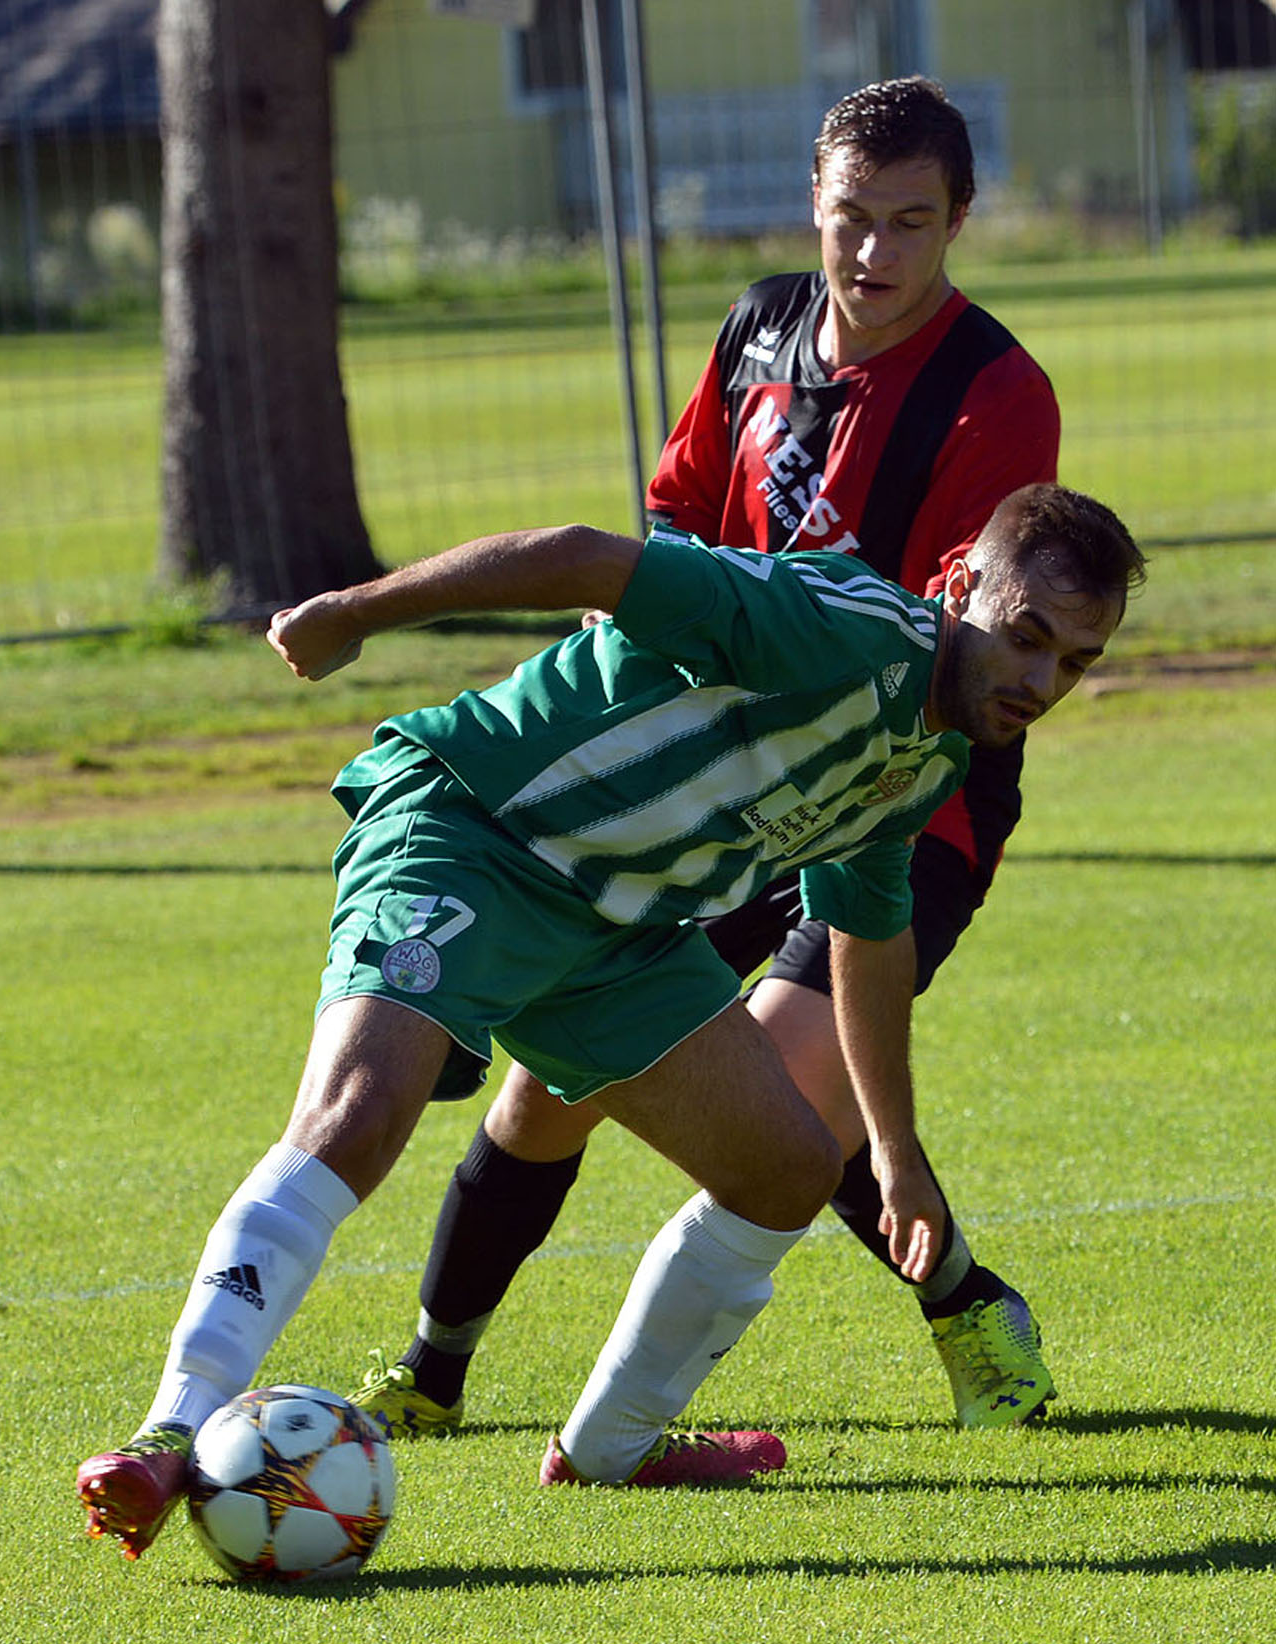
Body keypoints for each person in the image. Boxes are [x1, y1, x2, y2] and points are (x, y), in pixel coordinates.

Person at [77, 483, 1143, 1553]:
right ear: (959, 585)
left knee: (786, 1168)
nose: (1039, 682)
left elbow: (867, 931)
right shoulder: (836, 625)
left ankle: (608, 1449)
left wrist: (897, 1154)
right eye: (1025, 637)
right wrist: (353, 610)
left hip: (616, 929)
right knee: (356, 1116)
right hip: (476, 828)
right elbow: (586, 556)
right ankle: (169, 1429)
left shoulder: (935, 755)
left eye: (1074, 662)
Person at [350, 75, 1068, 1441]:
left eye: (910, 223)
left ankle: (955, 1306)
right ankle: (432, 1374)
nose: (871, 251)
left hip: (899, 791)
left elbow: (957, 623)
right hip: (719, 779)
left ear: (959, 220)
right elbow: (675, 512)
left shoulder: (995, 390)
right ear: (812, 201)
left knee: (789, 1094)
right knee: (553, 1082)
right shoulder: (757, 327)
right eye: (849, 216)